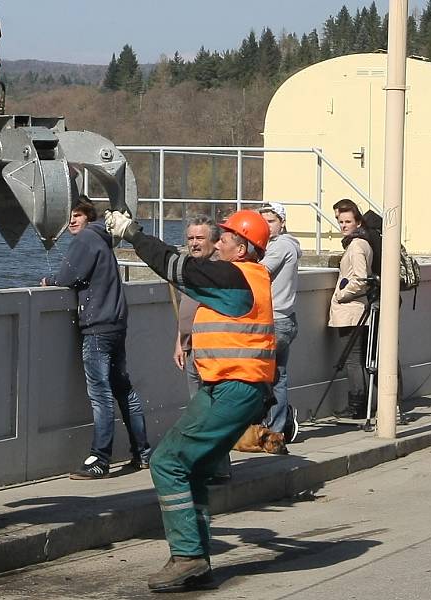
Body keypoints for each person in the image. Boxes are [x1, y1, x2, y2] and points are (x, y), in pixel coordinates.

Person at [105, 208, 275, 592]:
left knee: (167, 462)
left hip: (233, 387)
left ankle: (187, 556)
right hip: (234, 386)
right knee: (193, 469)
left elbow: (175, 266)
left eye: (227, 237)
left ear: (243, 247)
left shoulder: (234, 276)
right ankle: (196, 560)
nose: (220, 242)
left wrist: (134, 234)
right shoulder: (249, 276)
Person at [41, 196, 151, 479]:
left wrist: (49, 281)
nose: (72, 221)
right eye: (69, 216)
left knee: (100, 394)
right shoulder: (102, 238)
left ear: (88, 217)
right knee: (123, 390)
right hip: (115, 324)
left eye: (77, 215)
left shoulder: (86, 240)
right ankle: (143, 453)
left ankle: (100, 459)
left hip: (98, 327)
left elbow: (68, 276)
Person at [172, 216, 231, 483]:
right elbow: (186, 308)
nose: (194, 244)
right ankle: (203, 464)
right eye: (191, 238)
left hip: (213, 351)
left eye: (200, 238)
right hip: (192, 348)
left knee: (212, 412)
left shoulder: (219, 271)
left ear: (214, 242)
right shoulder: (191, 268)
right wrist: (180, 341)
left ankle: (218, 467)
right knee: (197, 410)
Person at [258, 202, 302, 442]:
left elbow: (257, 272)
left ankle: (274, 427)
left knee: (263, 377)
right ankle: (280, 422)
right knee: (278, 376)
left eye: (271, 221)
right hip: (285, 318)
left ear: (282, 222)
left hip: (274, 320)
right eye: (262, 221)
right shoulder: (287, 245)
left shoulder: (280, 246)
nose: (266, 226)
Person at [328, 198, 374, 419]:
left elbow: (361, 278)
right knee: (358, 359)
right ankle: (362, 404)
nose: (343, 225)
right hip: (358, 309)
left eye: (348, 221)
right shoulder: (363, 243)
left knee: (352, 360)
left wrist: (340, 295)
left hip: (351, 310)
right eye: (341, 221)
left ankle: (356, 405)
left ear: (358, 222)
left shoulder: (356, 246)